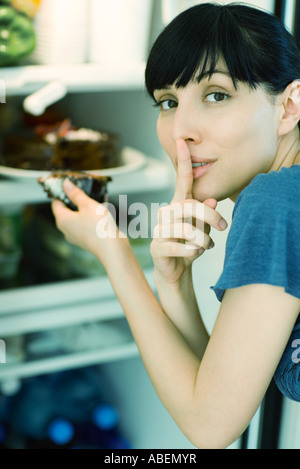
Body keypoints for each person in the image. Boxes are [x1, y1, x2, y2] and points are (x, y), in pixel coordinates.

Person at [52, 3, 300, 449]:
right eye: (168, 102)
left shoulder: (276, 201)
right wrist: (173, 282)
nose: (181, 129)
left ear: (288, 106)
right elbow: (222, 392)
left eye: (216, 95)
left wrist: (113, 249)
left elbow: (211, 427)